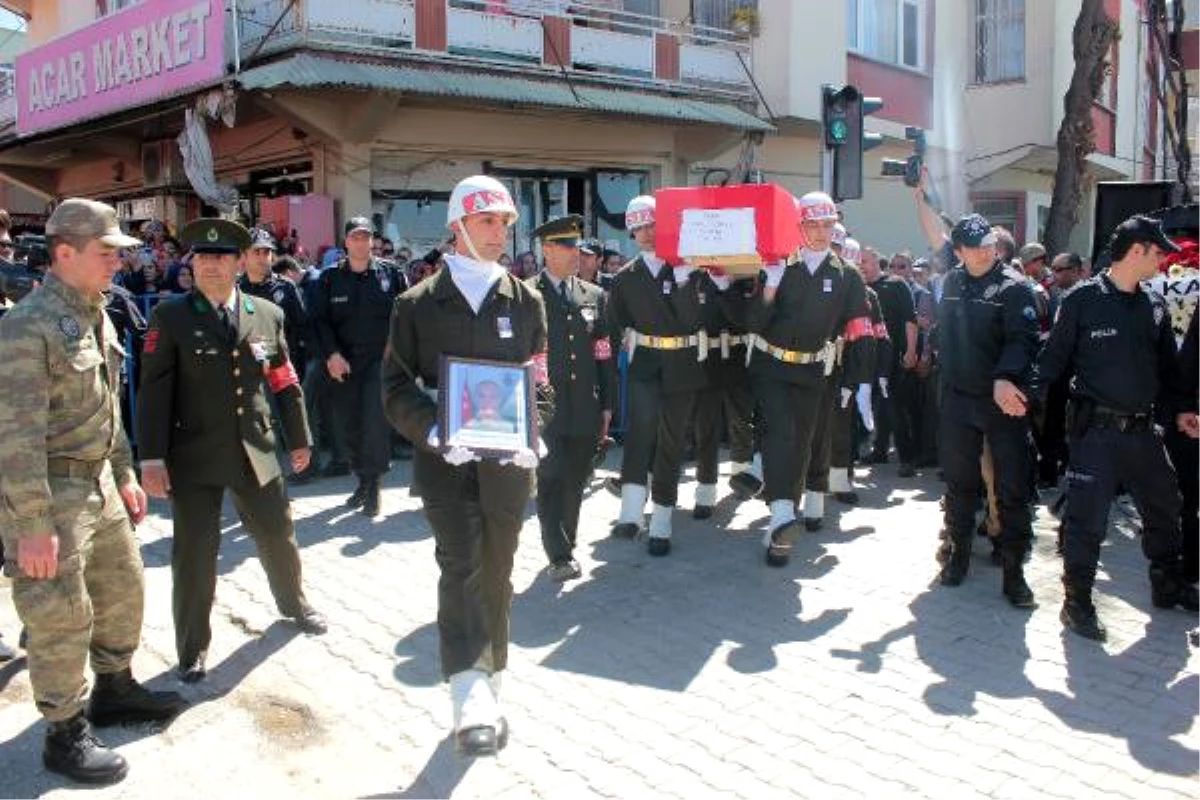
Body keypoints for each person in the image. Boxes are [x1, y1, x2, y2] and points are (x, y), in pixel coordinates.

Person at [0, 198, 186, 785]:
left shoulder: (95, 313)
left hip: (100, 481)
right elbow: (16, 436)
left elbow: (108, 409)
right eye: (105, 253)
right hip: (51, 491)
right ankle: (63, 731)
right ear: (64, 253)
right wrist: (31, 523)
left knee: (123, 587)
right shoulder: (25, 328)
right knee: (59, 613)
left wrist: (126, 474)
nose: (116, 262)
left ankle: (115, 688)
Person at [382, 175, 550, 757]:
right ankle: (467, 690)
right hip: (445, 464)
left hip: (508, 467)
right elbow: (395, 385)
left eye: (505, 222)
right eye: (487, 221)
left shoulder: (526, 300)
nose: (500, 232)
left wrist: (536, 431)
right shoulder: (417, 304)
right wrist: (431, 429)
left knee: (498, 571)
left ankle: (490, 679)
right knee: (461, 567)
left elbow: (539, 378)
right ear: (457, 227)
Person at [136, 217, 328, 684]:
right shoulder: (172, 316)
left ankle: (293, 604)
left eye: (220, 257)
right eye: (202, 257)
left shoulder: (267, 314)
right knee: (195, 554)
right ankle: (192, 648)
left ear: (240, 262)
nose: (210, 266)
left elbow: (283, 379)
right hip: (195, 454)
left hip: (255, 450)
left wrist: (299, 438)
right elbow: (154, 391)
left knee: (278, 535)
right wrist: (152, 458)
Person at [1038, 216, 1200, 640]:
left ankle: (1167, 582)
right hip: (1097, 433)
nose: (1165, 259)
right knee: (1087, 521)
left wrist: (1182, 409)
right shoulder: (1081, 302)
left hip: (1145, 432)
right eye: (1159, 251)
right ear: (1137, 251)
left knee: (1166, 505)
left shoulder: (1155, 304)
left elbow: (1169, 371)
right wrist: (1020, 396)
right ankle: (1077, 603)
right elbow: (1051, 362)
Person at [738, 192, 869, 565]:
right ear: (799, 225)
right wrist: (770, 286)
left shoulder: (848, 275)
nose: (821, 232)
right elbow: (752, 322)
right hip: (771, 366)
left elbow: (859, 332)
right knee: (782, 433)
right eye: (813, 224)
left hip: (814, 370)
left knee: (802, 446)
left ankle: (780, 527)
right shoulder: (778, 265)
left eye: (827, 224)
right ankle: (781, 515)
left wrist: (858, 381)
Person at [922, 205, 1039, 608]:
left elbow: (1022, 340)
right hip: (957, 398)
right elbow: (943, 332)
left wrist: (1006, 377)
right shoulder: (951, 283)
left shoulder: (1013, 286)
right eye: (976, 247)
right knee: (959, 485)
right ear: (960, 252)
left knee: (1011, 488)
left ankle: (1014, 572)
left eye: (989, 244)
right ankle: (957, 555)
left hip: (999, 402)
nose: (986, 252)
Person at [607, 195, 706, 555]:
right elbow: (614, 326)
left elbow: (695, 321)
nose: (647, 233)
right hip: (645, 362)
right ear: (631, 233)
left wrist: (683, 281)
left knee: (671, 440)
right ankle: (631, 512)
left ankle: (662, 517)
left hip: (682, 362)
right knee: (640, 432)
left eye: (652, 225)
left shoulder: (688, 270)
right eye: (639, 228)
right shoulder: (624, 278)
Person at [528, 215, 615, 582]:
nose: (575, 254)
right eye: (566, 246)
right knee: (550, 478)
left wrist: (608, 405)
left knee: (576, 479)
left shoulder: (593, 296)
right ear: (547, 249)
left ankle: (568, 542)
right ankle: (558, 552)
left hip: (584, 405)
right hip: (544, 407)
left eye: (577, 247)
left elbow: (603, 354)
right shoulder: (526, 293)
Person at [311, 217, 409, 517]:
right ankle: (363, 480)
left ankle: (375, 486)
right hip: (343, 363)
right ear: (346, 242)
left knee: (374, 422)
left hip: (380, 360)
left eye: (366, 237)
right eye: (355, 237)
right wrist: (331, 355)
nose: (361, 242)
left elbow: (405, 315)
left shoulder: (391, 275)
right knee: (350, 425)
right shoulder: (329, 279)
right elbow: (318, 321)